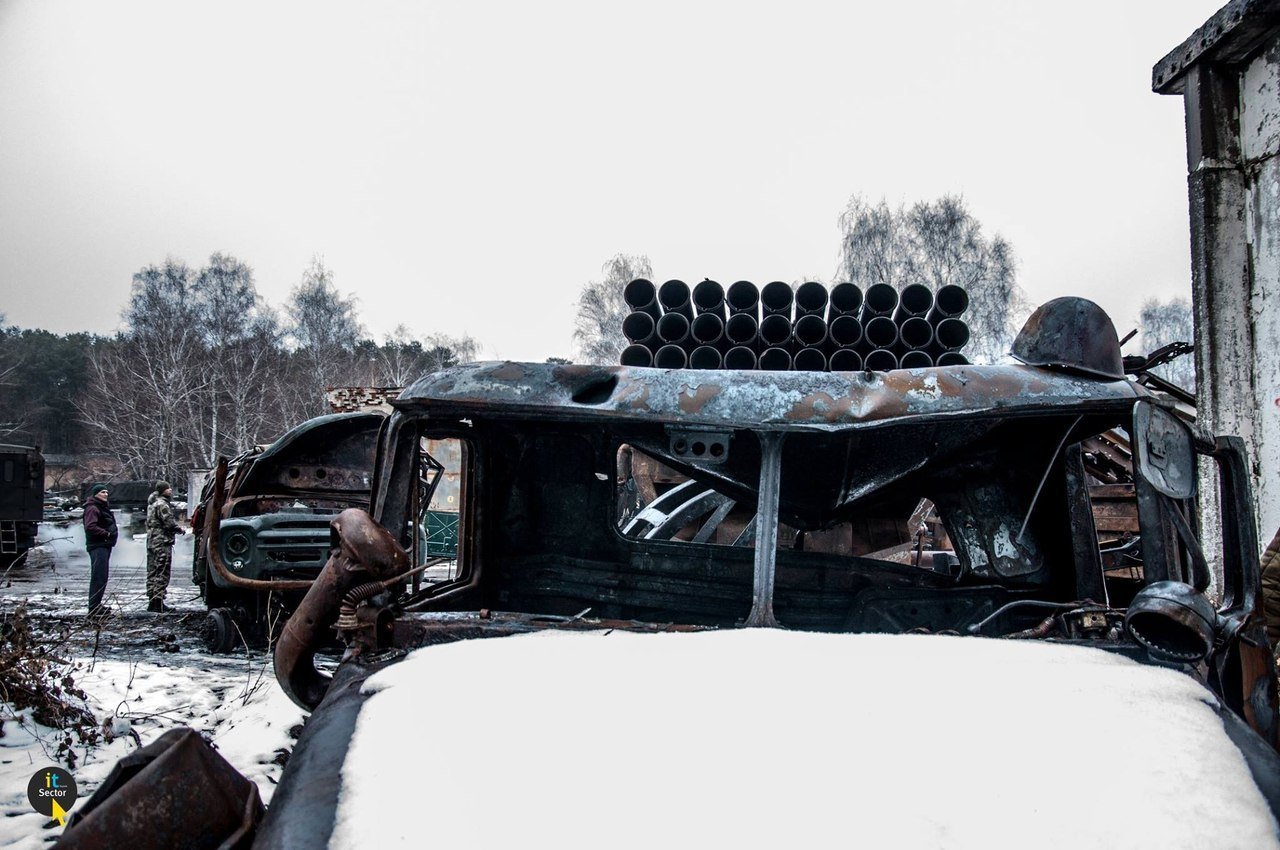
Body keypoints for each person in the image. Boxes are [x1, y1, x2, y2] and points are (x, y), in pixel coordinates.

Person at [82, 483, 118, 618]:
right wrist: (106, 534)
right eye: (102, 492)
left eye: (107, 492)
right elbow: (90, 527)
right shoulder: (93, 508)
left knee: (102, 577)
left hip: (104, 545)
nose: (106, 494)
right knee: (98, 577)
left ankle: (97, 605)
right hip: (98, 545)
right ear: (96, 494)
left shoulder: (101, 507)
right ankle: (93, 608)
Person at [145, 480, 181, 613]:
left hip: (152, 540)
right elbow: (169, 523)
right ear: (162, 490)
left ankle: (152, 600)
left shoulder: (152, 504)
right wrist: (178, 529)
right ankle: (158, 601)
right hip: (162, 541)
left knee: (152, 571)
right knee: (162, 570)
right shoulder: (162, 504)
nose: (170, 490)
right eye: (168, 488)